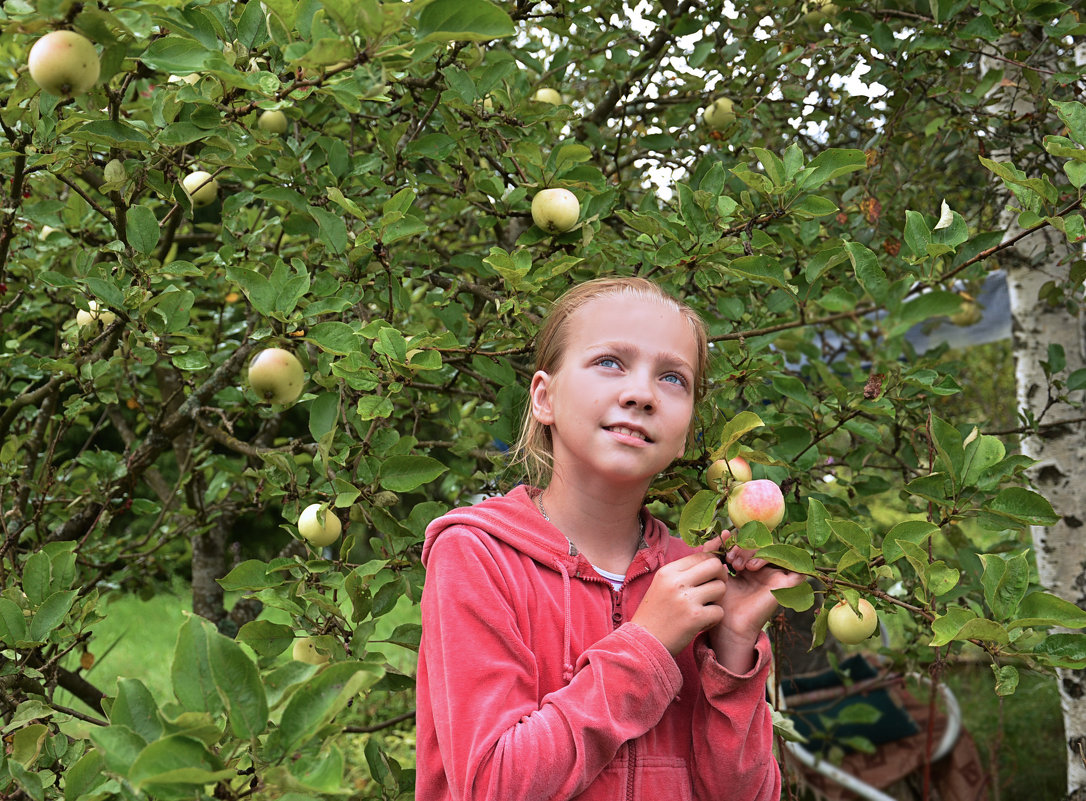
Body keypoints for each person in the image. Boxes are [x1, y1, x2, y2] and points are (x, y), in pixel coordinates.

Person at [416, 276, 804, 800]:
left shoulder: (695, 583)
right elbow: (492, 785)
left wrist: (733, 648)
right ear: (543, 397)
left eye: (673, 378)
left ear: (687, 427)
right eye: (609, 363)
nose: (641, 393)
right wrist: (647, 647)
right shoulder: (478, 556)